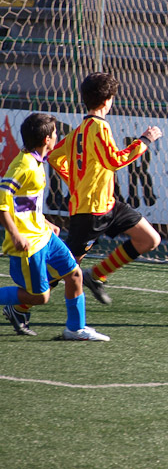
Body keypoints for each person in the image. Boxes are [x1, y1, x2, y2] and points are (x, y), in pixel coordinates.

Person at [47, 72, 163, 305]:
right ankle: (21, 303)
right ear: (108, 100)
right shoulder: (98, 127)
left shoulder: (79, 130)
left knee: (149, 239)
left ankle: (96, 275)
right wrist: (145, 141)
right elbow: (114, 160)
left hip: (108, 204)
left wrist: (75, 182)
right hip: (89, 210)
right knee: (65, 268)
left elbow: (54, 157)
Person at [0, 113, 109, 340]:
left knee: (75, 274)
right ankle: (13, 307)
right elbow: (2, 202)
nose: (57, 136)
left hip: (44, 236)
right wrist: (16, 234)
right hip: (29, 244)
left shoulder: (37, 161)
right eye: (55, 133)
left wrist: (46, 222)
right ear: (47, 139)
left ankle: (75, 329)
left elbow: (24, 203)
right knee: (40, 297)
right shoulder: (23, 165)